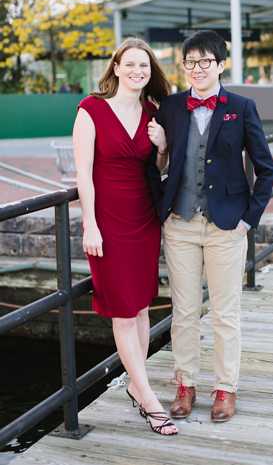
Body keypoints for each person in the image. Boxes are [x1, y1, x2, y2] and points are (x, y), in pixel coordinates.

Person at [147, 29, 273, 423]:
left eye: (205, 61)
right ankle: (185, 384)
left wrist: (246, 220)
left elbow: (266, 168)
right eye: (190, 62)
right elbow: (152, 166)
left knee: (224, 312)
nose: (197, 69)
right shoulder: (169, 107)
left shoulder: (241, 106)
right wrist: (163, 202)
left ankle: (225, 389)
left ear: (221, 64)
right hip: (180, 224)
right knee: (184, 311)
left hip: (226, 226)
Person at [73, 37, 178, 436]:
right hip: (109, 221)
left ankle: (137, 384)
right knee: (122, 308)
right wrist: (90, 224)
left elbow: (159, 166)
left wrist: (163, 146)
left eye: (145, 66)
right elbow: (83, 173)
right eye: (130, 64)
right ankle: (150, 400)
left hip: (144, 219)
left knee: (140, 307)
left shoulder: (154, 113)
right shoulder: (91, 109)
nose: (138, 72)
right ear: (116, 67)